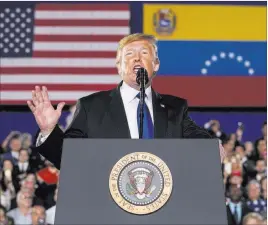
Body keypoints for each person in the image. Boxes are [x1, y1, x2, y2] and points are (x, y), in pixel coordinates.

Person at [27, 33, 225, 170]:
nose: (137, 59)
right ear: (119, 66)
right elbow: (69, 159)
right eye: (129, 55)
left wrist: (212, 148)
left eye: (145, 54)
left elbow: (200, 142)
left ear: (156, 65)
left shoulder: (175, 108)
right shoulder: (92, 106)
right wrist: (49, 131)